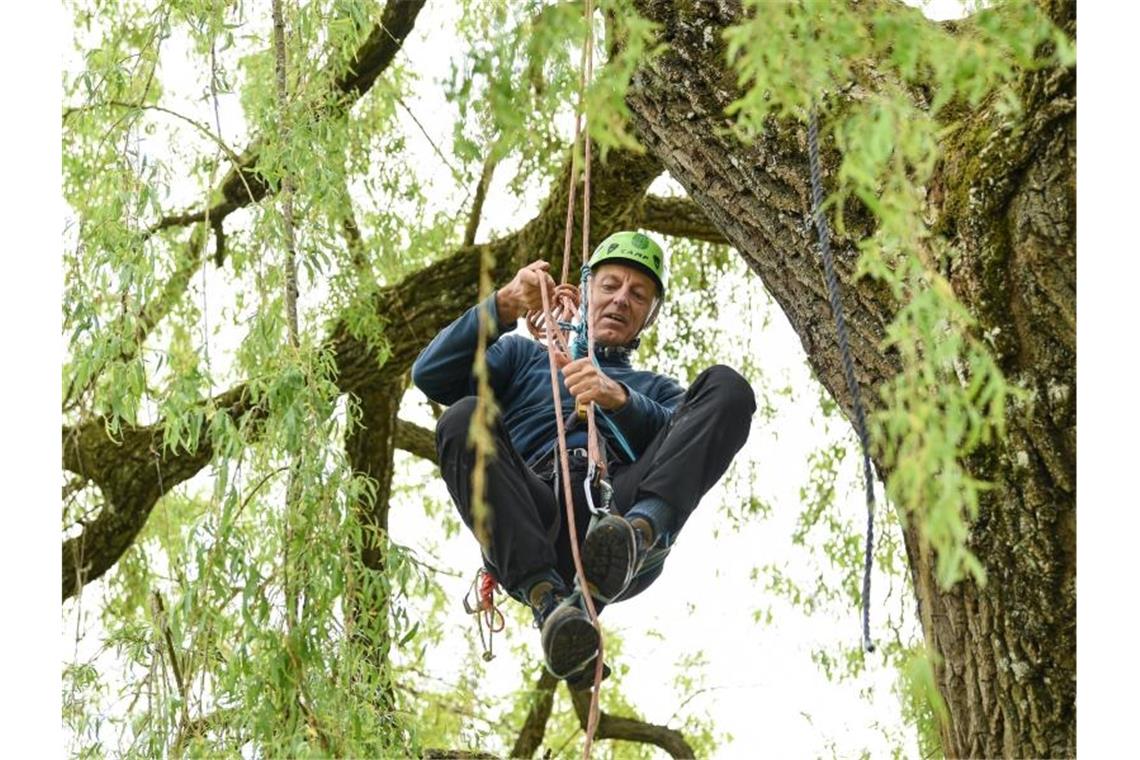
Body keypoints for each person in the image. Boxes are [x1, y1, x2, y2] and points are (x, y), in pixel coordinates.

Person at [412, 231, 755, 687]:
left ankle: (638, 534)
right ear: (586, 291)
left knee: (727, 387)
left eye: (638, 295)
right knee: (462, 419)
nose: (620, 301)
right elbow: (432, 374)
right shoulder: (522, 360)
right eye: (610, 285)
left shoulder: (658, 391)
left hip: (616, 512)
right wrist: (506, 303)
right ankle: (549, 603)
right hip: (534, 515)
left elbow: (685, 442)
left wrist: (619, 400)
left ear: (648, 317)